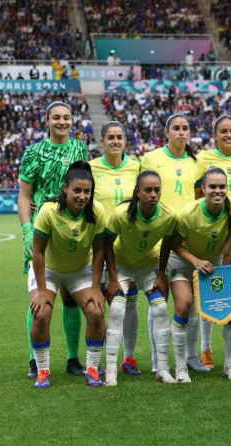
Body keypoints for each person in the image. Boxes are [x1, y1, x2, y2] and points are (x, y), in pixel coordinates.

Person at [19, 101, 90, 379]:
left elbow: (85, 187)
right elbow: (24, 196)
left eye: (67, 117)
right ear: (46, 120)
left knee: (70, 298)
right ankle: (34, 361)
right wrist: (27, 230)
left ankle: (73, 359)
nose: (62, 122)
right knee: (39, 299)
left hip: (71, 229)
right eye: (56, 118)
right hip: (42, 230)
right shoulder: (34, 152)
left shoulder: (80, 149)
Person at [29, 161, 108, 388]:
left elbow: (100, 251)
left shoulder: (97, 211)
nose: (82, 196)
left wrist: (95, 287)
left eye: (87, 191)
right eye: (77, 190)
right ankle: (43, 370)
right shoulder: (49, 211)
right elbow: (38, 252)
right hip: (49, 271)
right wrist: (43, 290)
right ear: (65, 188)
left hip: (79, 271)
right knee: (41, 312)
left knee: (95, 311)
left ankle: (92, 369)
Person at [169, 166, 231, 382]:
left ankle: (229, 367)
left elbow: (230, 250)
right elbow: (175, 245)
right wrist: (196, 262)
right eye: (212, 186)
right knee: (184, 305)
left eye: (222, 186)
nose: (218, 191)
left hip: (215, 263)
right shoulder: (188, 213)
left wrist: (223, 278)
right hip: (184, 262)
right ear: (203, 189)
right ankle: (181, 367)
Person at [140, 113, 201, 372]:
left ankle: (191, 355)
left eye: (185, 128)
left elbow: (199, 197)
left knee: (192, 303)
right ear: (167, 133)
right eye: (176, 128)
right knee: (159, 302)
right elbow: (143, 192)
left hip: (187, 242)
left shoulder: (197, 163)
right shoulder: (151, 158)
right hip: (157, 241)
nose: (181, 132)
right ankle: (158, 359)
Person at [104, 170, 177, 385]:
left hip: (148, 266)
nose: (153, 194)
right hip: (122, 265)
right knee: (117, 310)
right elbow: (107, 245)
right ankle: (110, 371)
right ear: (138, 193)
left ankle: (162, 368)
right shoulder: (121, 214)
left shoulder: (168, 215)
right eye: (148, 190)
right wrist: (113, 279)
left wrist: (162, 275)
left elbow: (167, 244)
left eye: (157, 190)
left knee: (161, 308)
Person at [195, 114, 231, 371]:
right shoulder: (203, 158)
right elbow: (199, 192)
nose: (229, 135)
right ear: (215, 134)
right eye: (223, 131)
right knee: (209, 296)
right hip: (209, 240)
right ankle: (206, 349)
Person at [89, 121, 142, 376]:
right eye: (110, 137)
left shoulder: (136, 166)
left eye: (119, 137)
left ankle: (129, 358)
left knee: (129, 306)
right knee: (99, 307)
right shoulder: (92, 168)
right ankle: (96, 360)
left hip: (128, 250)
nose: (115, 141)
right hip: (99, 248)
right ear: (102, 141)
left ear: (125, 140)